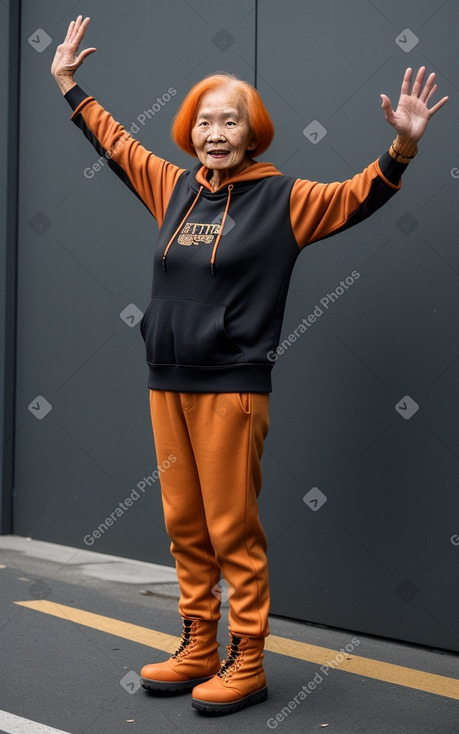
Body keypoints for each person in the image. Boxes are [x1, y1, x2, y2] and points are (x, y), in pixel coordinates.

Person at [51, 15, 448, 717]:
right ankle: (197, 645)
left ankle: (247, 660)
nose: (214, 132)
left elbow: (359, 194)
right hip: (166, 382)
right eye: (204, 121)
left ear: (251, 132)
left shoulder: (284, 200)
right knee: (183, 524)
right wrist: (70, 86)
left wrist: (401, 148)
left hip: (231, 388)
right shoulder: (171, 188)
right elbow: (116, 143)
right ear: (189, 130)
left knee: (231, 527)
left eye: (228, 122)